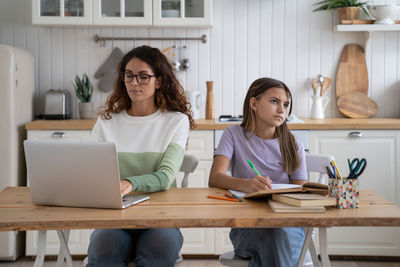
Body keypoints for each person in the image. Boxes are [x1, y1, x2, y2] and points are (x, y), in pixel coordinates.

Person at [87, 45, 195, 267]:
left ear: (159, 81)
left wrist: (128, 183)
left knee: (157, 253)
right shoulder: (106, 123)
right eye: (129, 76)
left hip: (161, 218)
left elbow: (165, 177)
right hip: (116, 217)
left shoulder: (176, 121)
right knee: (103, 253)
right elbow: (93, 174)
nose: (134, 83)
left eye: (143, 77)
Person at [209, 77, 308, 267]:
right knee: (272, 239)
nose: (282, 109)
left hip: (288, 225)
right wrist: (245, 184)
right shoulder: (233, 134)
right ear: (254, 103)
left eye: (286, 104)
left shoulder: (294, 144)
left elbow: (301, 191)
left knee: (276, 239)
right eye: (274, 101)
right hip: (247, 225)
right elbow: (215, 177)